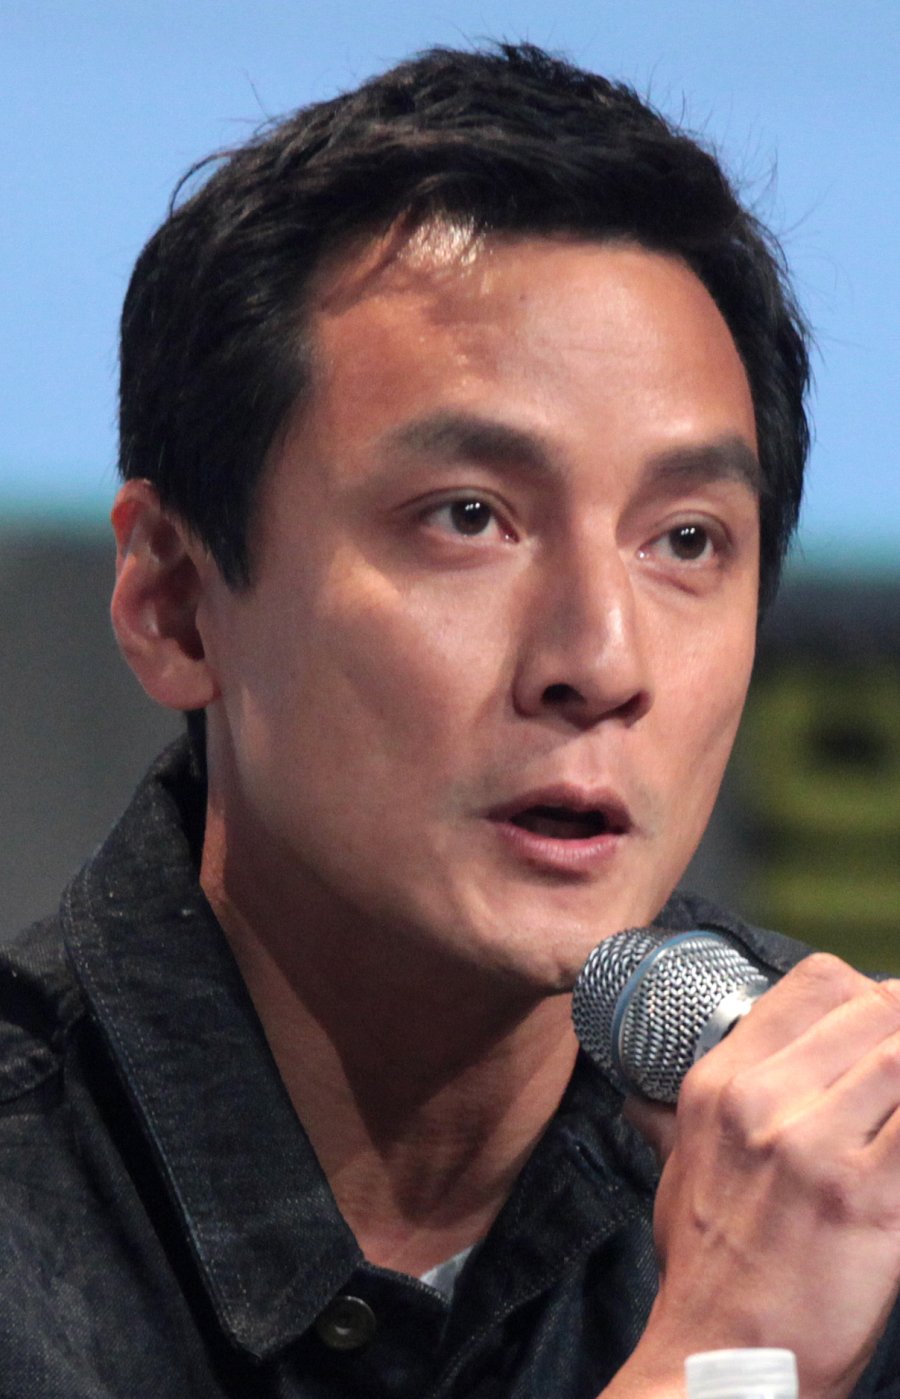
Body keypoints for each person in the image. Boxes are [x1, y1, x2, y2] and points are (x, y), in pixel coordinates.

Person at [2, 41, 900, 1399]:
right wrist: (725, 1361)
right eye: (470, 518)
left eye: (685, 540)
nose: (601, 662)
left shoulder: (851, 1178)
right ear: (176, 603)